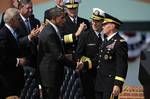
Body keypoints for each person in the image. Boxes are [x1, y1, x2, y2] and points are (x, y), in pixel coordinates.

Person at [37, 7, 82, 99]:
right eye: (62, 18)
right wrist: (75, 65)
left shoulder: (51, 29)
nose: (64, 20)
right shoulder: (49, 32)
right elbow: (58, 56)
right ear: (54, 19)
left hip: (53, 74)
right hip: (50, 75)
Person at [95, 13, 128, 99]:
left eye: (104, 24)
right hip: (99, 83)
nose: (102, 26)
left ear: (112, 26)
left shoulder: (120, 42)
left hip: (110, 85)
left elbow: (122, 65)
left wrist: (118, 84)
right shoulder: (105, 41)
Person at [76, 8, 105, 99]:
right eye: (93, 20)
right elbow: (78, 54)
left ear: (103, 21)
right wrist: (88, 62)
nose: (94, 23)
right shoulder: (85, 35)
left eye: (97, 21)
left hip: (105, 76)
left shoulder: (107, 35)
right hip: (90, 75)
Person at [0, 8, 26, 99]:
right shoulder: (3, 34)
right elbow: (2, 58)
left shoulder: (15, 32)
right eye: (18, 19)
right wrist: (18, 61)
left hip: (17, 77)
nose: (20, 21)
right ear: (12, 20)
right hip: (8, 80)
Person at [17, 0, 41, 70]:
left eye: (31, 8)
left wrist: (41, 34)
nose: (30, 10)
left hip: (37, 59)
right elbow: (17, 41)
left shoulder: (36, 21)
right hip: (24, 60)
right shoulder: (16, 22)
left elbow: (38, 40)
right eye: (28, 8)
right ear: (21, 8)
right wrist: (30, 37)